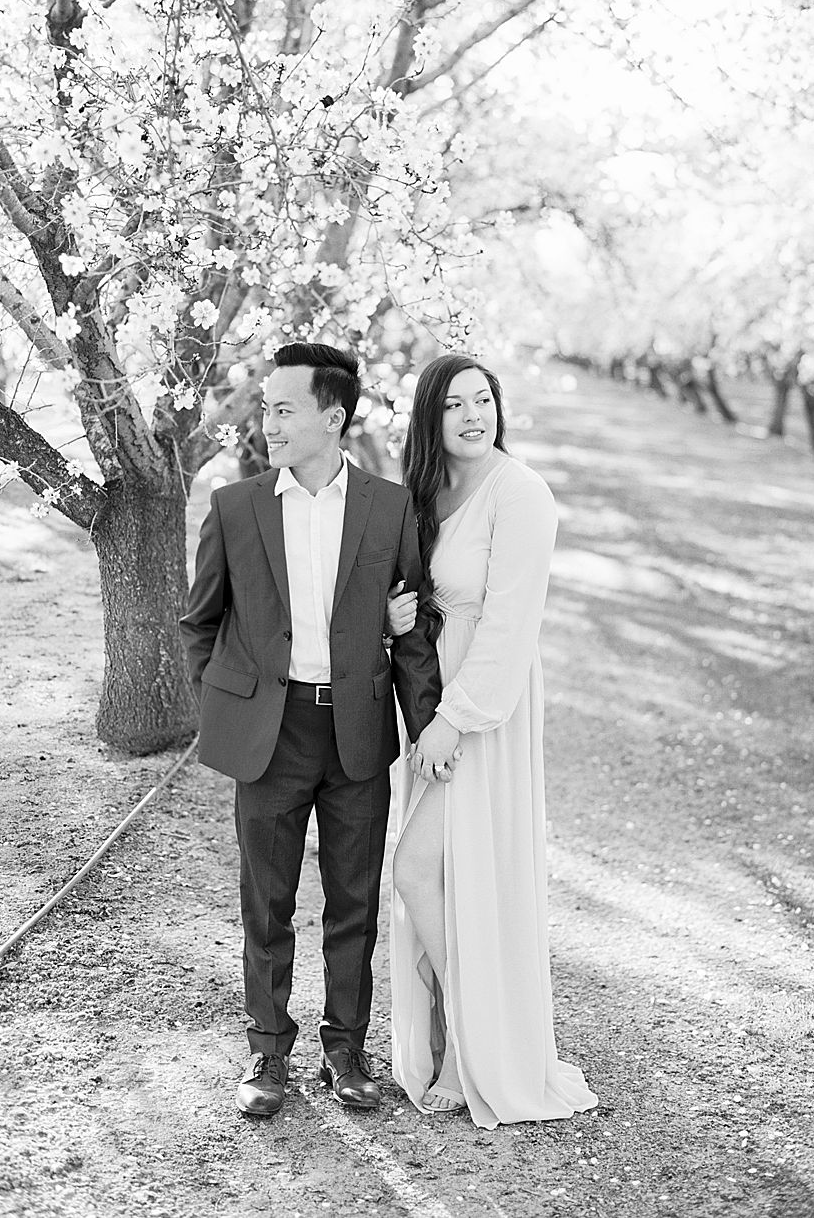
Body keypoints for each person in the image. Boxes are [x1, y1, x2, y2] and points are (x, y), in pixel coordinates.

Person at [180, 341, 445, 1117]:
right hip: (272, 733)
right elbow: (201, 623)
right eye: (266, 407)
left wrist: (427, 726)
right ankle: (267, 1052)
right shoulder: (236, 507)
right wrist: (224, 706)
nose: (269, 421)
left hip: (357, 729)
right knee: (266, 901)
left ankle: (346, 1048)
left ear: (333, 417)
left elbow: (414, 631)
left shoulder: (389, 507)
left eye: (284, 408)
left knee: (353, 900)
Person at [380, 353, 597, 1128]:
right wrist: (397, 621)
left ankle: (480, 1047)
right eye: (456, 405)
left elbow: (509, 627)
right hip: (434, 697)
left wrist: (453, 719)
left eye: (484, 400)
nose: (474, 416)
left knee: (416, 871)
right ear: (430, 418)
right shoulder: (429, 490)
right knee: (438, 877)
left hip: (481, 709)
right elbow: (417, 593)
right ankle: (451, 1043)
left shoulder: (522, 494)